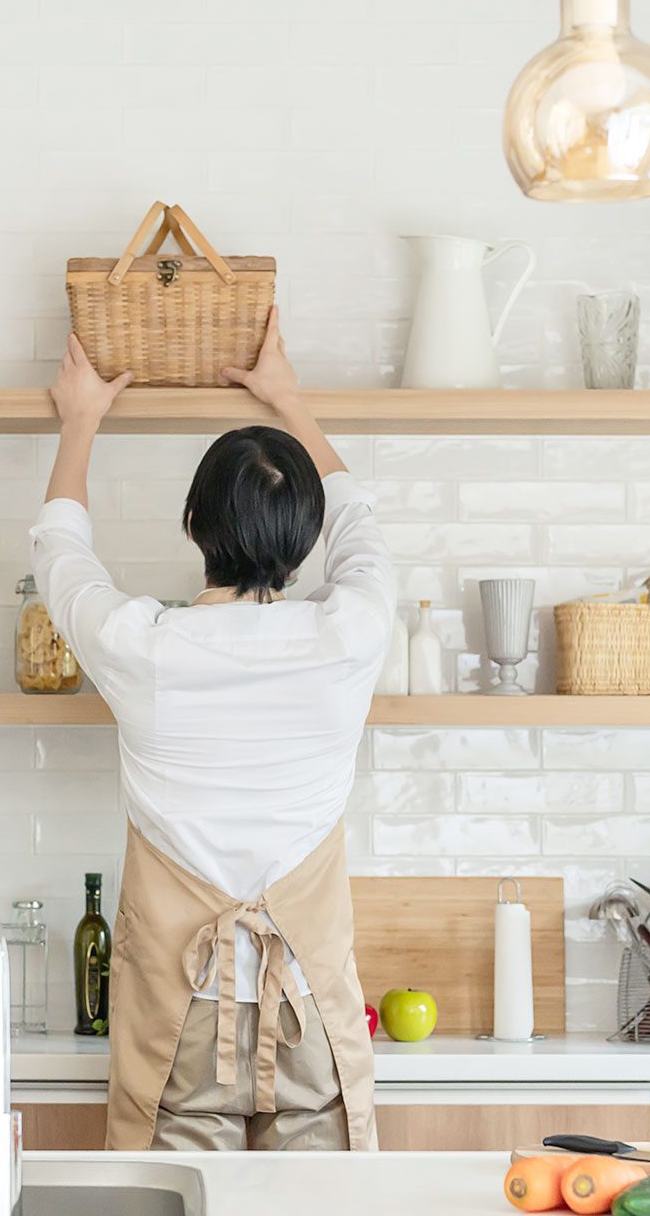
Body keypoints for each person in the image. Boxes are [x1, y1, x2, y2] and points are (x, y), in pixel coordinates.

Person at [30, 308, 393, 1152]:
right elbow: (363, 525)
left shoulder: (144, 647)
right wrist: (290, 402)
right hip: (310, 1013)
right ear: (303, 546)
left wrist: (81, 419)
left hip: (179, 1023)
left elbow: (59, 553)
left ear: (194, 524)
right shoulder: (350, 635)